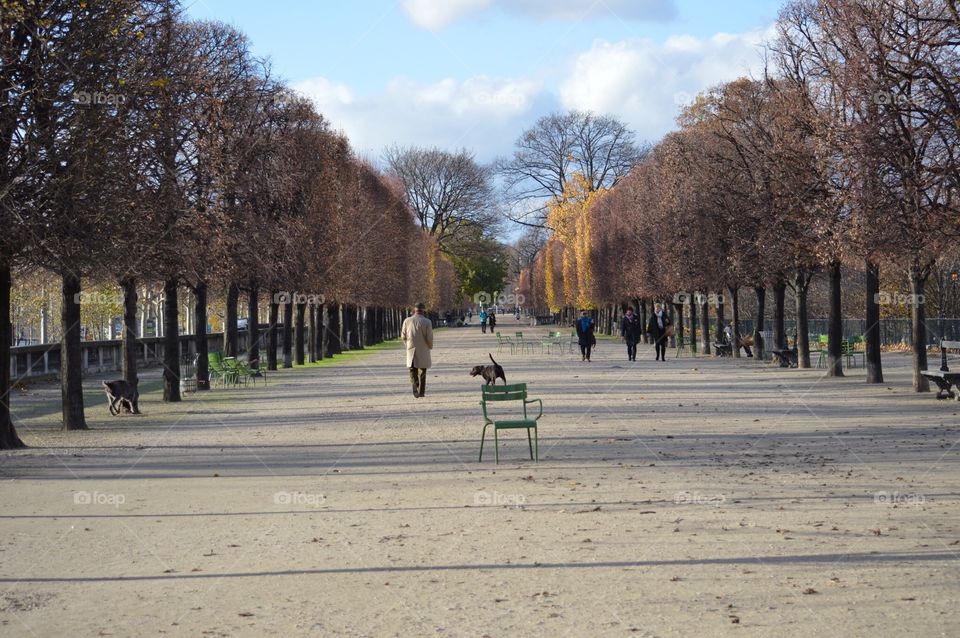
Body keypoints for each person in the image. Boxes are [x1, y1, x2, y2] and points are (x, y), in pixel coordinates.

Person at [401, 303, 433, 398]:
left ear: (414, 310)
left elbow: (403, 336)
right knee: (423, 371)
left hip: (411, 347)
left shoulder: (407, 321)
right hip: (423, 349)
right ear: (423, 310)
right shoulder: (427, 322)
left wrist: (407, 344)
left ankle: (415, 389)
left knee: (412, 370)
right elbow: (429, 337)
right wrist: (430, 346)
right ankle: (421, 392)